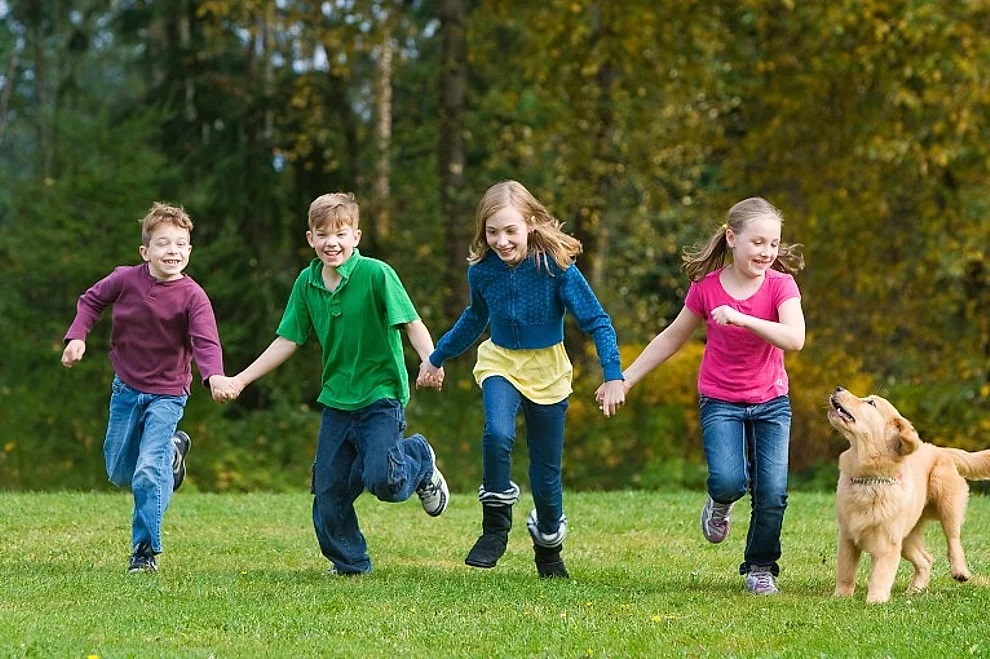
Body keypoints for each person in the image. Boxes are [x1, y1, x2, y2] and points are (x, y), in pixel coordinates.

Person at [215, 192, 449, 576]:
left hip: (381, 396)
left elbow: (411, 322)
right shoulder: (307, 284)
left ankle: (420, 459)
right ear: (310, 238)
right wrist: (240, 379)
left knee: (385, 481)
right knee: (328, 489)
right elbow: (288, 339)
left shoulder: (377, 274)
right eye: (323, 235)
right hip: (338, 402)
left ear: (356, 236)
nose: (332, 242)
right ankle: (351, 564)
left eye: (341, 234)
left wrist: (430, 359)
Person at [599, 196, 805, 595]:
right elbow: (671, 339)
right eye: (757, 242)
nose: (767, 252)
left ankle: (761, 567)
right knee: (729, 480)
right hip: (721, 400)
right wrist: (625, 378)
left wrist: (743, 318)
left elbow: (795, 338)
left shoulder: (782, 286)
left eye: (774, 244)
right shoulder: (706, 289)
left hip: (771, 402)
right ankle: (720, 502)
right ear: (732, 238)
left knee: (772, 492)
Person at [421, 180, 625, 579]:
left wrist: (613, 374)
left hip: (547, 369)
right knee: (497, 432)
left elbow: (597, 321)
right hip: (500, 362)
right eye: (492, 232)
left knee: (545, 474)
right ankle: (494, 529)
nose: (501, 240)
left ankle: (549, 548)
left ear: (531, 223)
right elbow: (474, 317)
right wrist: (437, 357)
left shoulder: (555, 267)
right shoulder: (482, 271)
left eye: (510, 230)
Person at [61, 201, 228, 574]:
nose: (172, 251)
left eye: (180, 244)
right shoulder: (125, 279)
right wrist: (77, 337)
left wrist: (214, 376)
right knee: (121, 471)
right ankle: (172, 454)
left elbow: (206, 342)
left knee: (147, 472)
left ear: (189, 250)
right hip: (126, 387)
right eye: (163, 244)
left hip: (168, 394)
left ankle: (144, 551)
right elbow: (91, 300)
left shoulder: (193, 296)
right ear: (145, 251)